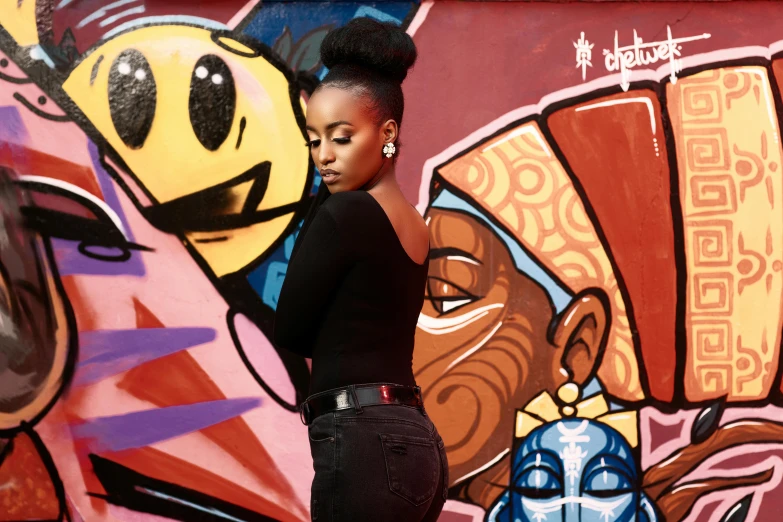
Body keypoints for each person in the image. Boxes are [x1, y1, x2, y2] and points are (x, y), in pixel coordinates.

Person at [273, 18, 448, 522]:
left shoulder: (345, 214)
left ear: (387, 134)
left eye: (342, 138)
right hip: (415, 439)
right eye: (314, 140)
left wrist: (323, 203)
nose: (324, 157)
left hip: (363, 440)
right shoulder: (414, 223)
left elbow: (292, 329)